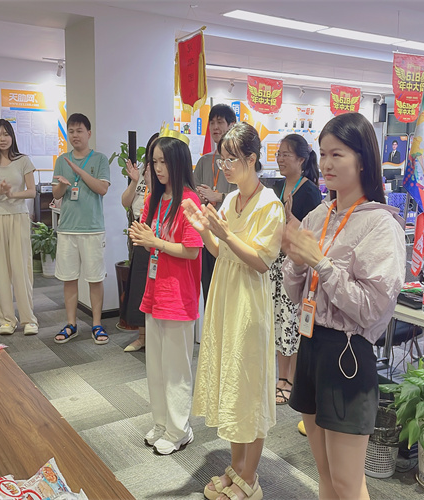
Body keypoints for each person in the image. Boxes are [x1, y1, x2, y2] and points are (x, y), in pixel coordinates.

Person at [282, 112, 405, 500]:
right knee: (324, 473)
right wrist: (297, 262)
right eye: (323, 154)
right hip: (310, 345)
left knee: (348, 483)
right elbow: (293, 291)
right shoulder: (318, 216)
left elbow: (370, 309)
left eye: (338, 154)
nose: (327, 163)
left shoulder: (381, 225)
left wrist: (320, 263)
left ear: (362, 160)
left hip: (347, 354)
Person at [183, 122, 284, 500]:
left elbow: (261, 260)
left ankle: (250, 477)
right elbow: (219, 251)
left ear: (252, 159)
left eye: (231, 159)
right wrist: (203, 229)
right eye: (222, 159)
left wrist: (225, 234)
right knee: (234, 384)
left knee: (250, 388)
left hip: (249, 303)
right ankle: (237, 467)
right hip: (226, 296)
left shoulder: (270, 204)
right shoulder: (230, 200)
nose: (224, 166)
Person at [129, 135, 202, 455]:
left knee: (176, 369)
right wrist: (142, 238)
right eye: (154, 162)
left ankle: (179, 429)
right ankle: (162, 423)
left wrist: (154, 242)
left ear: (178, 163)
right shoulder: (154, 199)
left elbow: (191, 250)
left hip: (179, 295)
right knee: (156, 366)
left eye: (163, 162)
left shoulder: (189, 201)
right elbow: (149, 241)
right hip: (155, 291)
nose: (158, 169)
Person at [271, 134, 322, 405]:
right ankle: (282, 376)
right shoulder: (278, 187)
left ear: (301, 159)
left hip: (296, 266)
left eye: (286, 154)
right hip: (275, 263)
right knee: (279, 321)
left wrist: (293, 220)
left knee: (292, 321)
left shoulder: (310, 192)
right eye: (279, 154)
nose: (280, 159)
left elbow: (315, 235)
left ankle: (291, 380)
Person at [51, 113, 110, 344]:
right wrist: (62, 186)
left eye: (79, 131)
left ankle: (97, 324)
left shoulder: (100, 159)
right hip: (67, 228)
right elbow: (56, 194)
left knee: (95, 278)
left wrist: (79, 172)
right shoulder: (61, 160)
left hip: (92, 228)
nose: (75, 135)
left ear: (89, 133)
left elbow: (102, 189)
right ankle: (71, 324)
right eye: (71, 131)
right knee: (69, 278)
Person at [0, 119, 38, 335]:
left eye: (6, 134)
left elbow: (32, 191)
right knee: (1, 270)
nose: (2, 139)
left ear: (12, 137)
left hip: (19, 216)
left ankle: (28, 319)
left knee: (21, 268)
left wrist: (12, 194)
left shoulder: (23, 160)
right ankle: (6, 320)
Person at [193, 104, 237, 303]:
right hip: (206, 232)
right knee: (208, 287)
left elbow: (245, 196)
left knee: (227, 288)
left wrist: (218, 196)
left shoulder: (239, 161)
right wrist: (200, 197)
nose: (215, 127)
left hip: (229, 231)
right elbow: (193, 192)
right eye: (212, 123)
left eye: (220, 122)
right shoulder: (204, 161)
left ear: (232, 125)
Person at [121, 133, 158, 352]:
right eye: (152, 150)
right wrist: (135, 180)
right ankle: (142, 337)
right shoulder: (142, 172)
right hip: (139, 230)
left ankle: (155, 337)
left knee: (155, 285)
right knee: (139, 286)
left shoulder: (164, 174)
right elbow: (126, 202)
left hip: (156, 233)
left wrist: (152, 181)